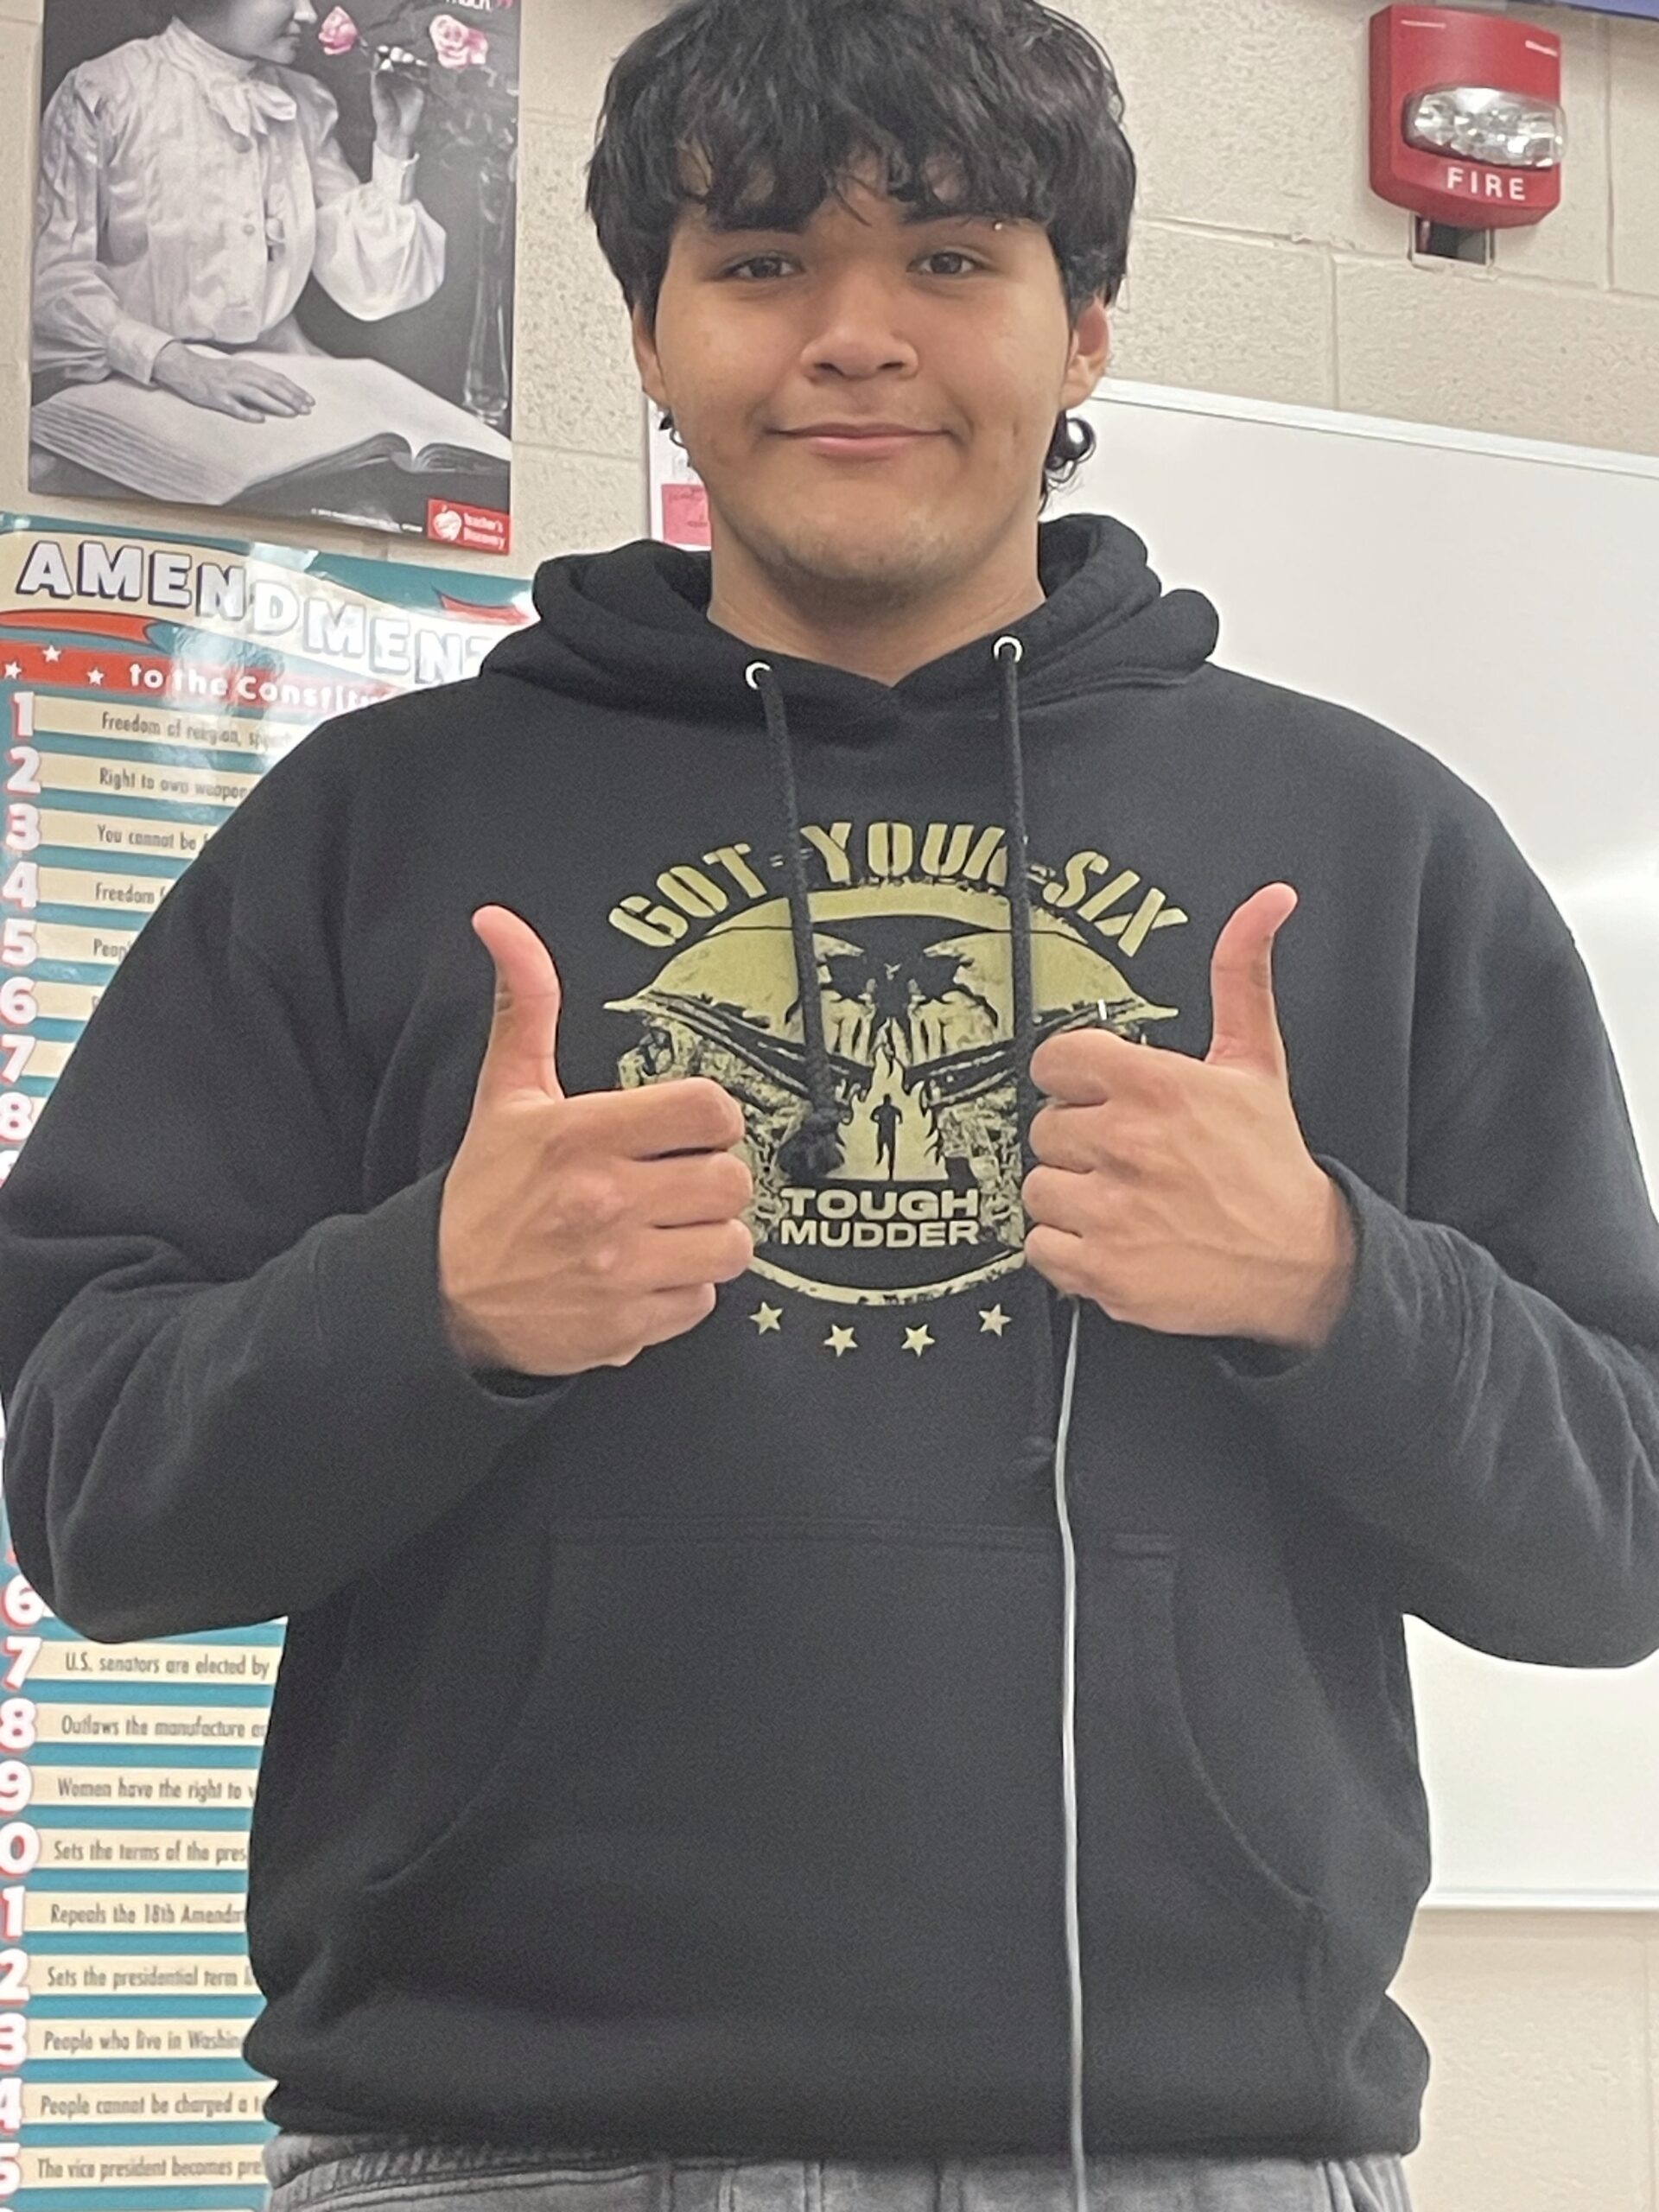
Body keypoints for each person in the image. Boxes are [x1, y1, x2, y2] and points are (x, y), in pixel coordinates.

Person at [2, 0, 1657, 2209]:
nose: (855, 334)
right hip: (494, 2150)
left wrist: (1335, 1282)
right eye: (763, 260)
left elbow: (1620, 1536)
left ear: (1085, 326)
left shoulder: (1369, 844)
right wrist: (430, 1304)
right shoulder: (375, 828)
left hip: (1194, 2156)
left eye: (951, 259)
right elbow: (85, 1492)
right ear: (651, 334)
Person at [32, 0, 445, 428]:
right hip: (133, 385)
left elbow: (372, 289)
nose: (308, 14)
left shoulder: (305, 103)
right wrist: (173, 362)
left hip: (283, 376)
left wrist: (394, 144)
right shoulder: (106, 92)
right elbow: (49, 280)